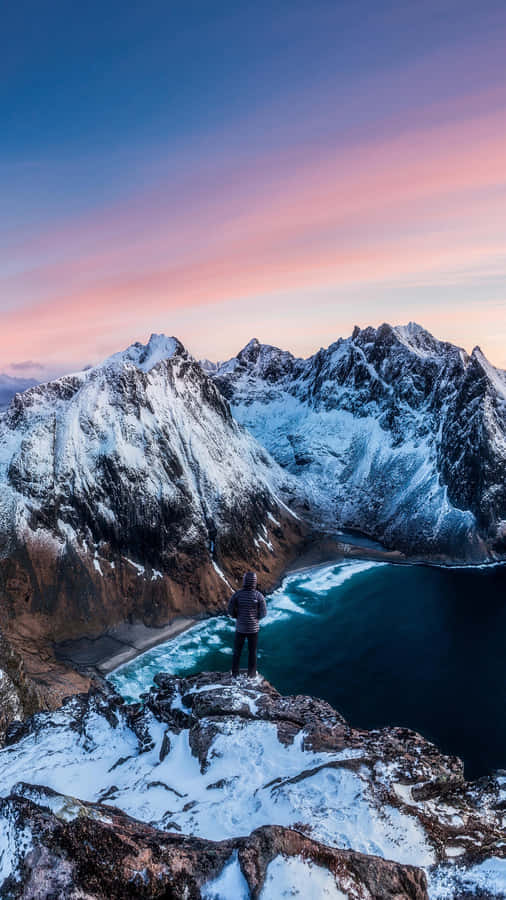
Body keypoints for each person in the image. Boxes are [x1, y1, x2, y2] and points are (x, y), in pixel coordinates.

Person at [227, 571, 267, 677]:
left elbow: (230, 609)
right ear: (255, 582)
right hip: (253, 630)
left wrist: (237, 616)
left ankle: (235, 674)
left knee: (237, 652)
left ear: (244, 581)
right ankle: (252, 674)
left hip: (240, 628)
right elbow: (263, 613)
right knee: (252, 652)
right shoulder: (259, 596)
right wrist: (255, 618)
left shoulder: (237, 595)